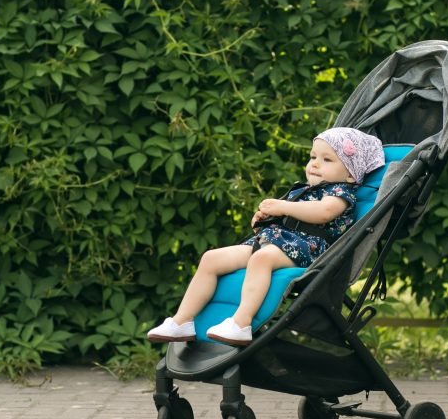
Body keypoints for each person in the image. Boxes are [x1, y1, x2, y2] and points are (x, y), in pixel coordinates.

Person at [146, 127, 384, 346]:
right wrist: (266, 219)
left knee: (261, 259)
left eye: (327, 159)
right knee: (211, 258)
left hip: (309, 248)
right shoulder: (304, 189)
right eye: (313, 157)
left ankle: (241, 322)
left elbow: (323, 213)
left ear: (351, 174)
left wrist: (283, 207)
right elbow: (288, 216)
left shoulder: (341, 191)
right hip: (278, 241)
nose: (315, 164)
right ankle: (182, 321)